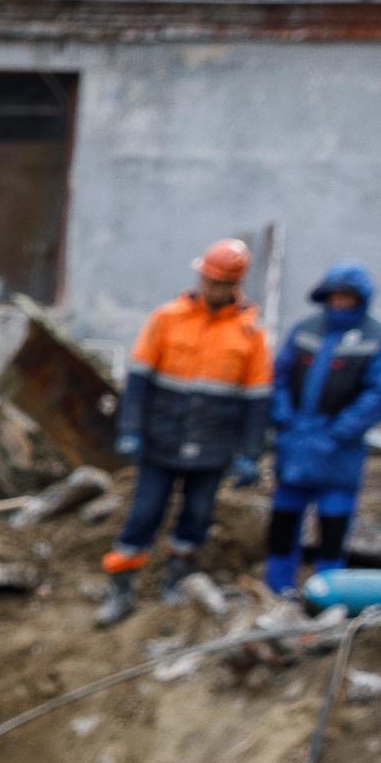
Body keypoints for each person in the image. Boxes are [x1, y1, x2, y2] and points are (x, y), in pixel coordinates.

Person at [98, 239, 273, 625]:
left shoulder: (250, 334)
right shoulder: (167, 318)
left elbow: (257, 399)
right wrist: (131, 428)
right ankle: (121, 588)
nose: (212, 288)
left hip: (214, 443)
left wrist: (250, 452)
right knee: (144, 514)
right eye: (208, 280)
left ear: (234, 285)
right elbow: (139, 379)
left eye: (220, 283)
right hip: (162, 437)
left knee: (197, 515)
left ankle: (177, 583)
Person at [260, 262, 381, 596]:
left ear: (360, 299)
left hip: (339, 452)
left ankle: (329, 592)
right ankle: (277, 589)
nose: (339, 303)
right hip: (294, 445)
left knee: (333, 526)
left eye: (347, 298)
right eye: (335, 296)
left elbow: (378, 394)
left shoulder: (380, 338)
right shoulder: (306, 329)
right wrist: (284, 418)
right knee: (283, 522)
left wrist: (339, 432)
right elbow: (279, 375)